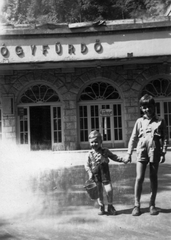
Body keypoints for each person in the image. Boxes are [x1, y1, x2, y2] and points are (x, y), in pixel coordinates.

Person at [124, 94, 168, 216]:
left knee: (153, 177)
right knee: (139, 178)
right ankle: (136, 205)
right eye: (144, 107)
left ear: (154, 106)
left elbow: (165, 138)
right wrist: (129, 153)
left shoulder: (160, 121)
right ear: (141, 108)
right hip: (141, 151)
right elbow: (133, 138)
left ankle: (152, 204)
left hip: (155, 151)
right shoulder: (139, 122)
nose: (147, 109)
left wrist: (163, 152)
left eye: (149, 106)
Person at [85, 130, 128, 215]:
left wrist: (123, 159)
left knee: (109, 190)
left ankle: (110, 206)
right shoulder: (89, 154)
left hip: (105, 174)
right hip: (95, 176)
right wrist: (89, 173)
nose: (94, 144)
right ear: (89, 143)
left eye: (96, 142)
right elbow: (86, 165)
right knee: (99, 192)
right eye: (92, 142)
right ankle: (101, 206)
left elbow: (114, 157)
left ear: (101, 142)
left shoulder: (105, 151)